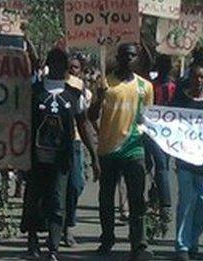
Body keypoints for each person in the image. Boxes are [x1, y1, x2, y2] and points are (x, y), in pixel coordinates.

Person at [21, 48, 100, 261]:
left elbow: (83, 126)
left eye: (61, 64)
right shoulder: (34, 91)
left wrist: (94, 155)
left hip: (62, 159)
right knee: (34, 200)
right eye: (54, 63)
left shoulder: (74, 95)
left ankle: (53, 248)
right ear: (48, 64)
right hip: (35, 158)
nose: (58, 67)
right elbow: (22, 125)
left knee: (57, 201)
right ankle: (32, 241)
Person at [89, 43, 154, 260]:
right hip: (108, 151)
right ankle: (107, 238)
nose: (129, 59)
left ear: (137, 59)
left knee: (137, 199)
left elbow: (148, 120)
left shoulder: (145, 87)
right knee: (106, 199)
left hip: (134, 149)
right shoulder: (105, 83)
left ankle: (139, 243)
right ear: (118, 57)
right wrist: (98, 99)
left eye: (133, 56)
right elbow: (90, 115)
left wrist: (150, 152)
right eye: (125, 56)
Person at [173, 63, 203, 261]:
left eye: (202, 77)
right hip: (185, 159)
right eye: (195, 76)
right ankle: (182, 245)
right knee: (186, 202)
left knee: (201, 203)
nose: (199, 80)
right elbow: (170, 122)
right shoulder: (181, 99)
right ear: (190, 77)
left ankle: (193, 242)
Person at [63, 53, 93, 247]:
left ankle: (68, 223)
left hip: (75, 142)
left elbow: (85, 121)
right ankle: (60, 229)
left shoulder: (83, 92)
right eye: (69, 67)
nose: (72, 70)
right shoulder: (54, 85)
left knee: (76, 185)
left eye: (75, 68)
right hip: (55, 144)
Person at [144, 54, 175, 225]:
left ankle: (162, 200)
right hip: (154, 132)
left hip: (166, 134)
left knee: (161, 166)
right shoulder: (152, 86)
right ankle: (162, 201)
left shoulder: (173, 88)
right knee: (159, 165)